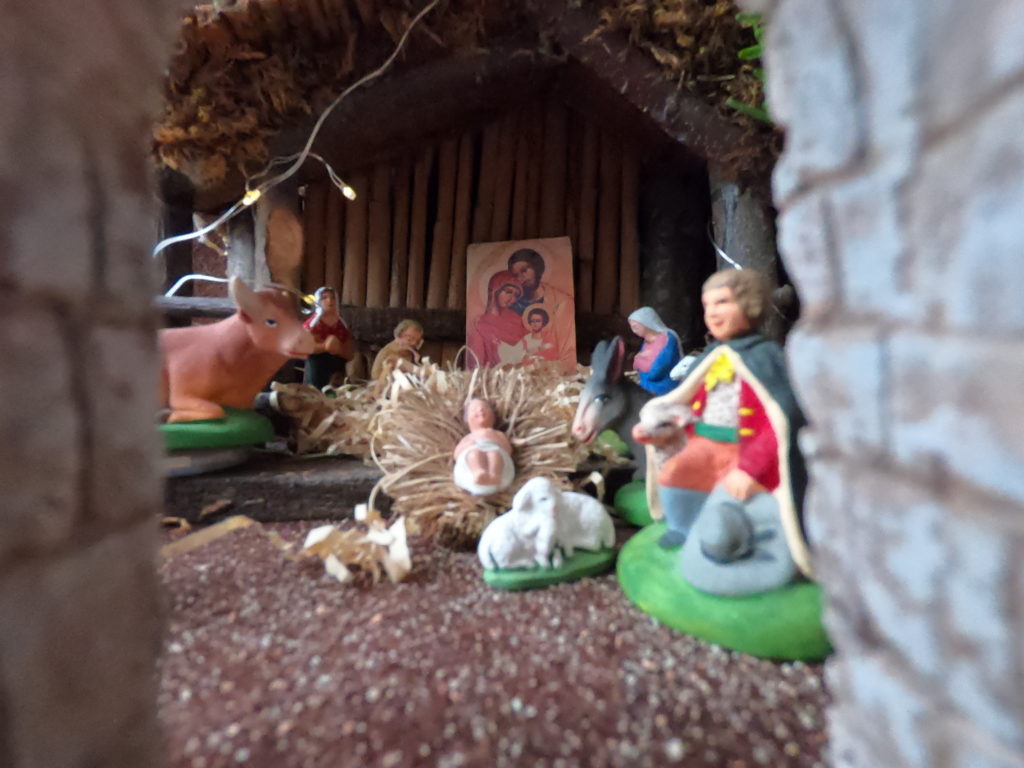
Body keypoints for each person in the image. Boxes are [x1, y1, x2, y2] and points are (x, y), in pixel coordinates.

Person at [645, 268, 812, 592]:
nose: (712, 312)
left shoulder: (767, 357)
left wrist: (751, 469)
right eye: (707, 305)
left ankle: (747, 545)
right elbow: (690, 399)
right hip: (706, 443)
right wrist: (664, 422)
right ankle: (684, 528)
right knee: (676, 473)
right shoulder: (711, 356)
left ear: (749, 304)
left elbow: (781, 419)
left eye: (722, 302)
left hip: (747, 453)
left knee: (739, 502)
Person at [506, 248, 575, 371]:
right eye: (515, 275)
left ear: (538, 269)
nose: (521, 278)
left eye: (525, 270)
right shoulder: (511, 305)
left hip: (551, 372)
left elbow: (567, 350)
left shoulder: (561, 302)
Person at [452, 398, 515, 495]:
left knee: (494, 455)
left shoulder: (497, 434)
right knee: (474, 455)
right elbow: (456, 454)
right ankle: (478, 472)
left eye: (485, 408)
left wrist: (497, 442)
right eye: (474, 409)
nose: (480, 409)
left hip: (494, 449)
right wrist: (467, 445)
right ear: (467, 419)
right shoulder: (468, 437)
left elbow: (508, 449)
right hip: (473, 449)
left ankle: (495, 475)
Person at [467, 271, 526, 368]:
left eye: (516, 295)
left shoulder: (517, 320)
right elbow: (476, 364)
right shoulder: (480, 324)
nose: (512, 298)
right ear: (495, 289)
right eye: (508, 292)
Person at [303, 286, 354, 389]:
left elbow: (350, 354)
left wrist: (339, 350)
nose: (330, 301)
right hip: (317, 371)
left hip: (337, 372)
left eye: (332, 297)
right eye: (324, 298)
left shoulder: (342, 326)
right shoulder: (313, 324)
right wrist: (324, 346)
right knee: (315, 392)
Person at [628, 307, 683, 396]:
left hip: (664, 388)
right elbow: (637, 364)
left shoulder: (668, 338)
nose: (633, 331)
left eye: (635, 327)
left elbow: (658, 370)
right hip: (646, 386)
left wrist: (642, 362)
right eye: (632, 327)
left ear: (646, 323)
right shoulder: (647, 340)